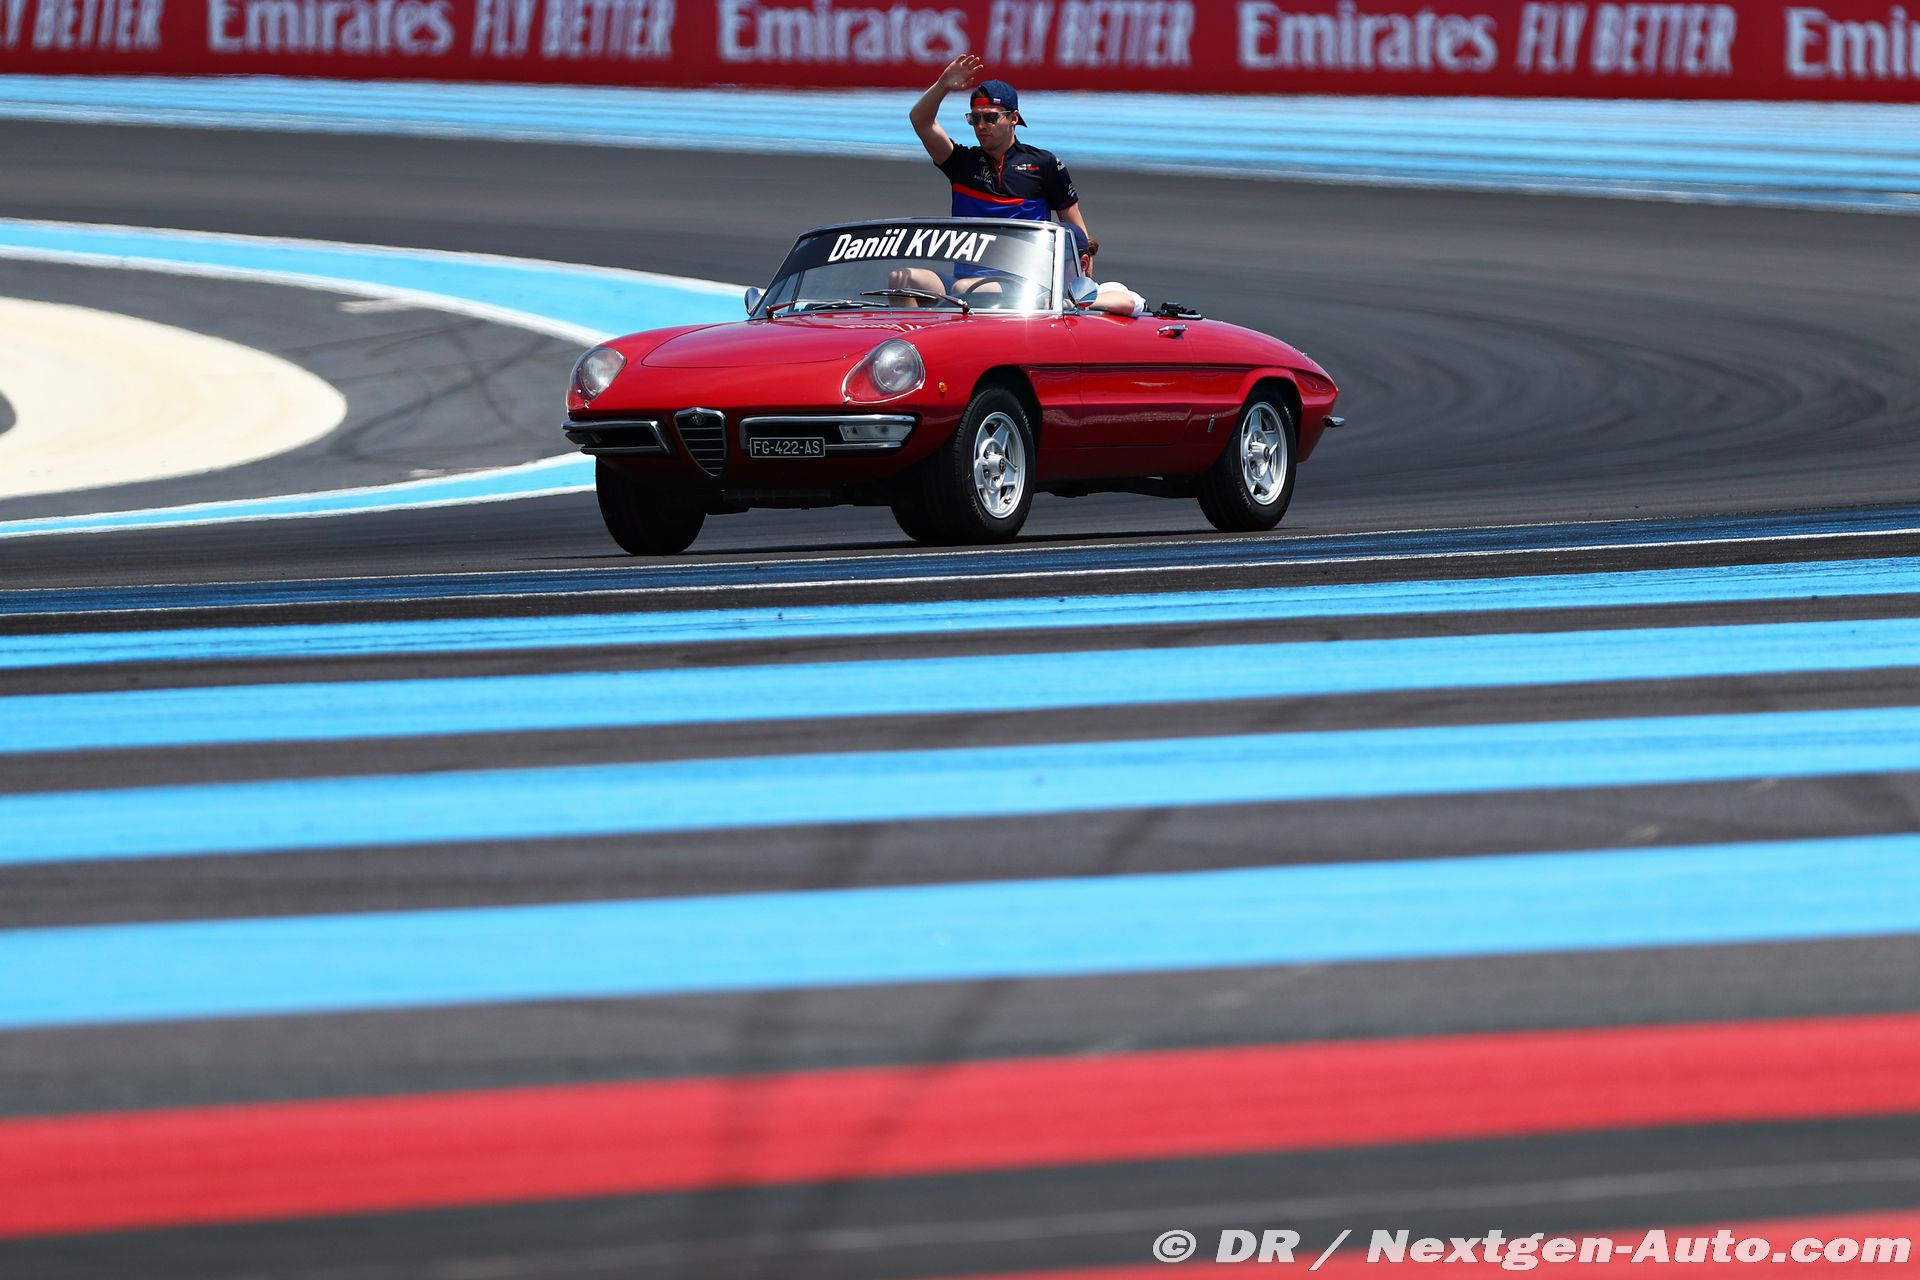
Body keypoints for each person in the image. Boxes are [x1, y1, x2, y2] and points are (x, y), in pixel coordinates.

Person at [909, 54, 1089, 239]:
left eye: (991, 117)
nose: (981, 125)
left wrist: (1085, 254)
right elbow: (921, 121)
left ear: (1013, 118)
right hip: (970, 259)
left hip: (1026, 259)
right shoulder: (960, 162)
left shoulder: (1045, 164)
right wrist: (943, 85)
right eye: (975, 118)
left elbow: (1079, 236)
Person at [1062, 222, 1146, 317]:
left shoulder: (1105, 290)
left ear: (1083, 263)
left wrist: (1069, 303)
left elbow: (1128, 302)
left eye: (1058, 262)